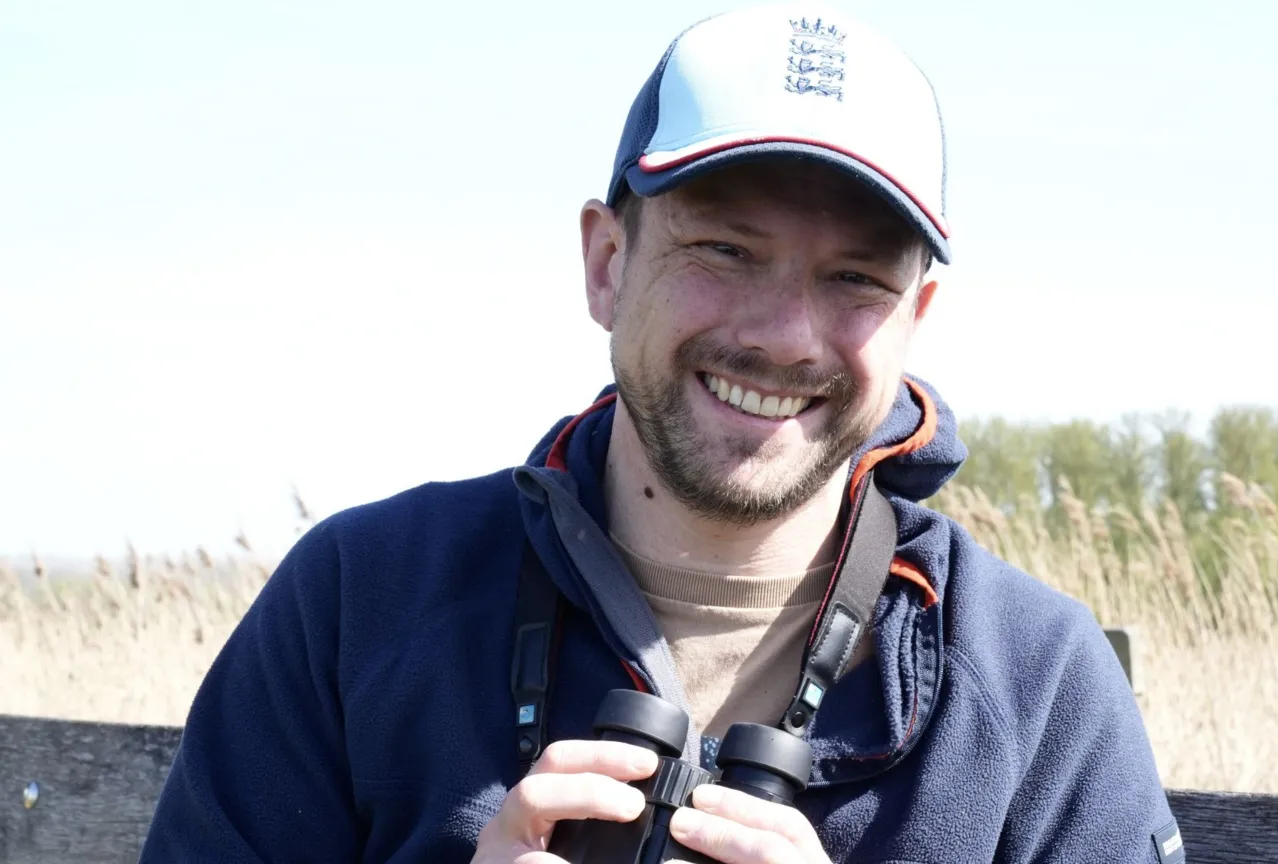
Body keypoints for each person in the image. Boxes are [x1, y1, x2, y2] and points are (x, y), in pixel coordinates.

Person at [140, 4, 1183, 862]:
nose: (784, 335)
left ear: (916, 318)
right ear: (606, 264)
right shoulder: (360, 603)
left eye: (858, 278)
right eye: (724, 247)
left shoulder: (1034, 684)